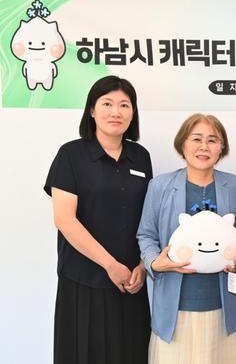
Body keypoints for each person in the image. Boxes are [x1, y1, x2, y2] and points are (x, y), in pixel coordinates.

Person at [44, 75, 151, 364]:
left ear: (133, 113)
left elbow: (149, 218)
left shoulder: (141, 157)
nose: (116, 112)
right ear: (92, 110)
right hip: (85, 280)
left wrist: (143, 267)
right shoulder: (71, 154)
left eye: (124, 105)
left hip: (131, 282)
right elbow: (64, 220)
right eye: (107, 103)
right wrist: (110, 265)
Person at [137, 113, 236, 364]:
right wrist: (155, 262)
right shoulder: (160, 185)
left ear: (221, 148)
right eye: (196, 139)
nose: (204, 147)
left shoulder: (232, 185)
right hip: (175, 310)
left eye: (212, 140)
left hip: (224, 309)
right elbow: (146, 234)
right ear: (182, 144)